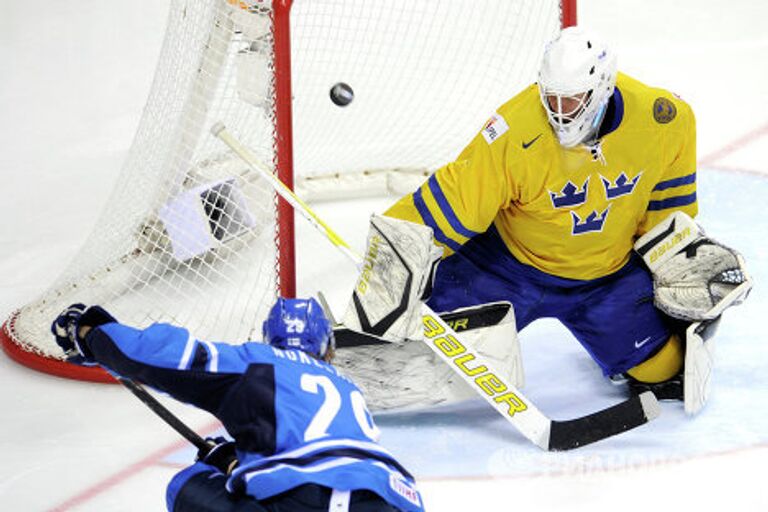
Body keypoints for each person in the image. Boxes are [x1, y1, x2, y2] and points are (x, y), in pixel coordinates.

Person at [343, 26, 751, 410]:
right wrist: (391, 260)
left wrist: (680, 261)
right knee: (408, 367)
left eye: (570, 100)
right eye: (550, 97)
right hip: (505, 269)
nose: (558, 111)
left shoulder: (664, 120)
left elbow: (667, 217)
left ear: (602, 88)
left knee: (663, 370)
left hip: (606, 277)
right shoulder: (512, 131)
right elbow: (451, 203)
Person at [51, 297, 424, 512]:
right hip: (392, 501)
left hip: (305, 503)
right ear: (328, 349)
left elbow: (165, 357)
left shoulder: (257, 361)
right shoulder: (349, 388)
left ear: (269, 339)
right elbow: (323, 453)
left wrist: (91, 335)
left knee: (187, 485)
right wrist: (235, 462)